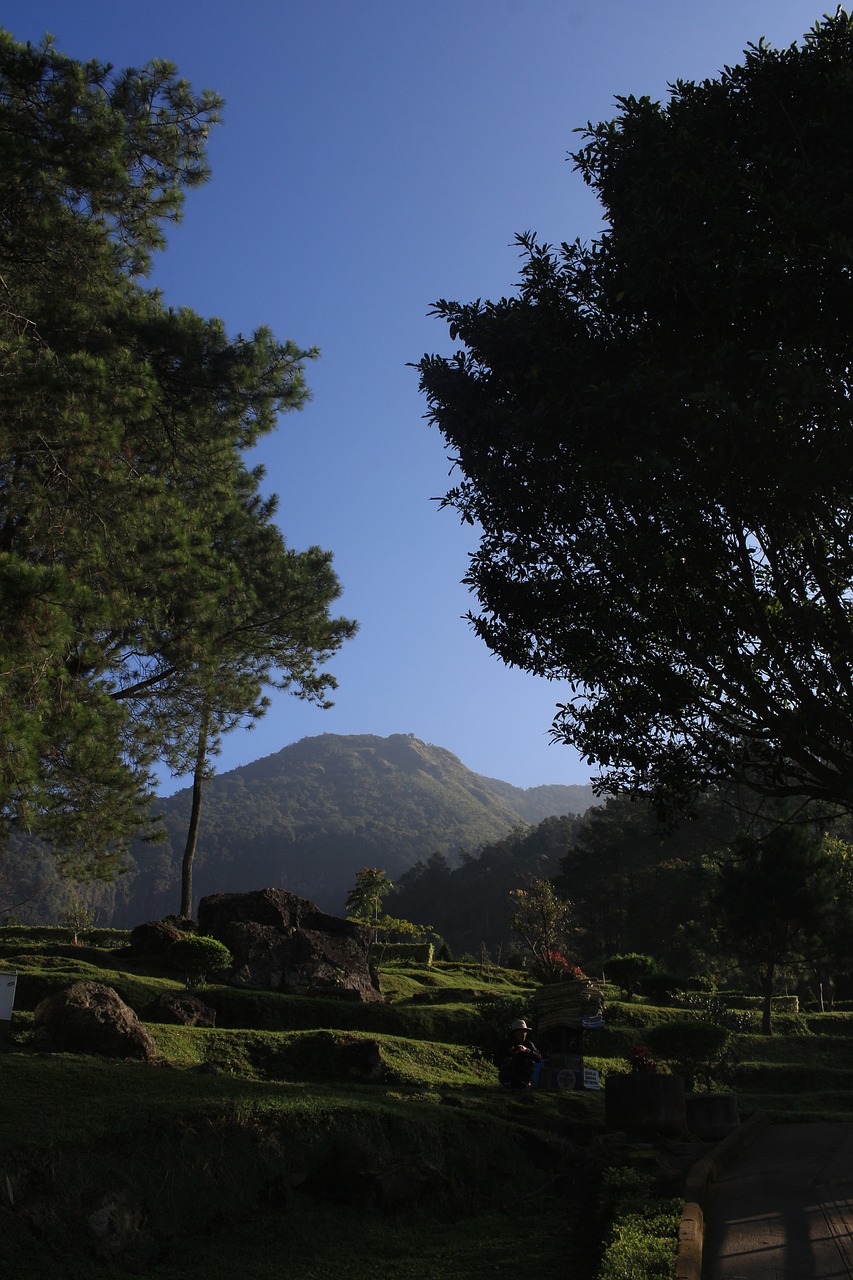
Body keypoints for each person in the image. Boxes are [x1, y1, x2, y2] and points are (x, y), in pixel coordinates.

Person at [493, 1018, 542, 1089]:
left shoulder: (528, 1044)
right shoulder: (506, 1044)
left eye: (525, 1032)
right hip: (509, 1075)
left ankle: (523, 1083)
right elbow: (496, 1062)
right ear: (514, 1033)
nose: (524, 1034)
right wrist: (507, 1053)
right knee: (508, 1060)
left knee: (530, 1061)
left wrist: (527, 1050)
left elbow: (539, 1058)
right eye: (521, 1032)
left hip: (522, 1075)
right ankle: (508, 1083)